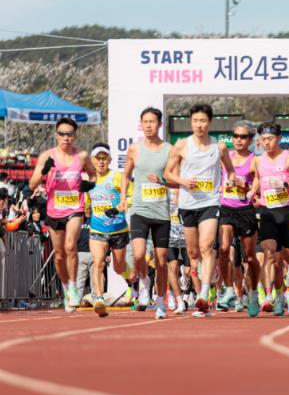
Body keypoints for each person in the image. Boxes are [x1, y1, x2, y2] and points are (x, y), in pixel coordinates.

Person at [164, 104, 237, 316]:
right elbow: (167, 174)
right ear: (191, 122)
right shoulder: (181, 145)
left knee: (207, 246)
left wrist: (231, 180)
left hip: (210, 202)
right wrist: (183, 181)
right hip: (187, 204)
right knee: (194, 253)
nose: (199, 125)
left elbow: (230, 170)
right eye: (195, 121)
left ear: (210, 123)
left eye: (203, 121)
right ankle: (208, 273)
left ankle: (204, 293)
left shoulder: (219, 147)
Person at [30, 117, 96, 313]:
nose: (66, 138)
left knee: (70, 246)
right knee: (59, 255)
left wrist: (89, 184)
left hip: (75, 208)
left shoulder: (81, 156)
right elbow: (32, 184)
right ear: (56, 135)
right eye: (62, 134)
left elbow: (93, 174)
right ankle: (66, 287)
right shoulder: (47, 156)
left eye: (69, 134)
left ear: (75, 136)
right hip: (54, 210)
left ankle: (74, 287)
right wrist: (44, 171)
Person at [121, 107, 173, 314]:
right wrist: (123, 198)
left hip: (161, 212)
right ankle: (144, 282)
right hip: (139, 210)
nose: (148, 125)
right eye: (145, 122)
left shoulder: (169, 150)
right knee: (139, 254)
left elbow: (176, 180)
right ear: (141, 124)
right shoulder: (134, 149)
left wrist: (162, 181)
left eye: (152, 121)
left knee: (161, 261)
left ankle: (160, 301)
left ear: (159, 124)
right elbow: (126, 175)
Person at [249, 122, 289, 316]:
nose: (267, 143)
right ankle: (269, 296)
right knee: (270, 253)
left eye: (270, 139)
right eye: (263, 139)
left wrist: (285, 184)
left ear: (278, 138)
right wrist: (252, 191)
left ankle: (286, 282)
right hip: (268, 212)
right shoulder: (257, 160)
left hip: (288, 212)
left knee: (286, 258)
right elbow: (257, 179)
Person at [216, 121, 261, 316]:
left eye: (243, 137)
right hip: (227, 209)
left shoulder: (255, 160)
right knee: (224, 249)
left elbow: (258, 184)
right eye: (235, 136)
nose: (238, 140)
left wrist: (249, 189)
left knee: (249, 257)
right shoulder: (225, 157)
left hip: (245, 211)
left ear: (250, 140)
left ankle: (253, 293)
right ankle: (228, 290)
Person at [86, 143, 130, 318]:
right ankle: (99, 299)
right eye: (98, 158)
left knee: (119, 268)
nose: (101, 162)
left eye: (104, 158)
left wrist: (120, 206)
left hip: (118, 229)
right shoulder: (88, 181)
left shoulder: (118, 177)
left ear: (110, 160)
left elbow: (131, 196)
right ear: (92, 161)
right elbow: (86, 204)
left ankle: (133, 282)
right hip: (97, 229)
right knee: (98, 262)